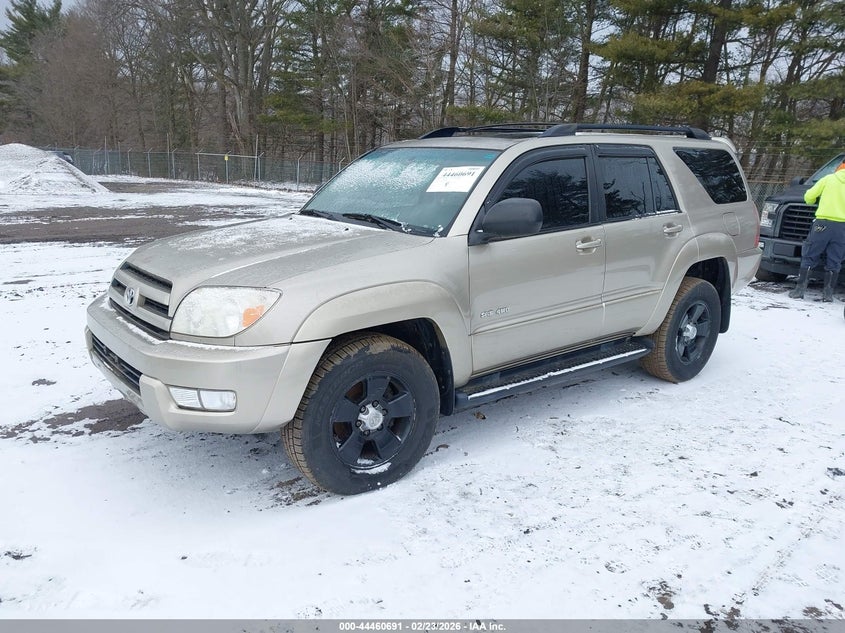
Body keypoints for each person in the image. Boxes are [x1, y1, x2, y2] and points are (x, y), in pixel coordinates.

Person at [789, 161, 845, 301]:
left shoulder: (828, 179)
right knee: (835, 260)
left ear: (839, 167)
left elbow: (808, 197)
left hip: (822, 225)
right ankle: (828, 294)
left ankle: (799, 290)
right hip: (842, 227)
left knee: (810, 255)